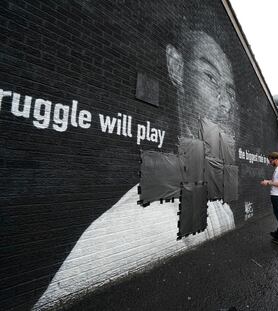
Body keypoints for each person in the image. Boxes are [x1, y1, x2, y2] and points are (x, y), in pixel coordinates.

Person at [34, 20, 238, 311]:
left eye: (230, 94)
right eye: (209, 77)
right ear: (175, 66)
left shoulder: (219, 204)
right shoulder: (135, 223)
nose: (224, 105)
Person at [260, 152, 278, 245]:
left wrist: (268, 183)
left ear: (276, 159)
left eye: (271, 161)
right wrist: (268, 181)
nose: (270, 163)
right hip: (277, 195)